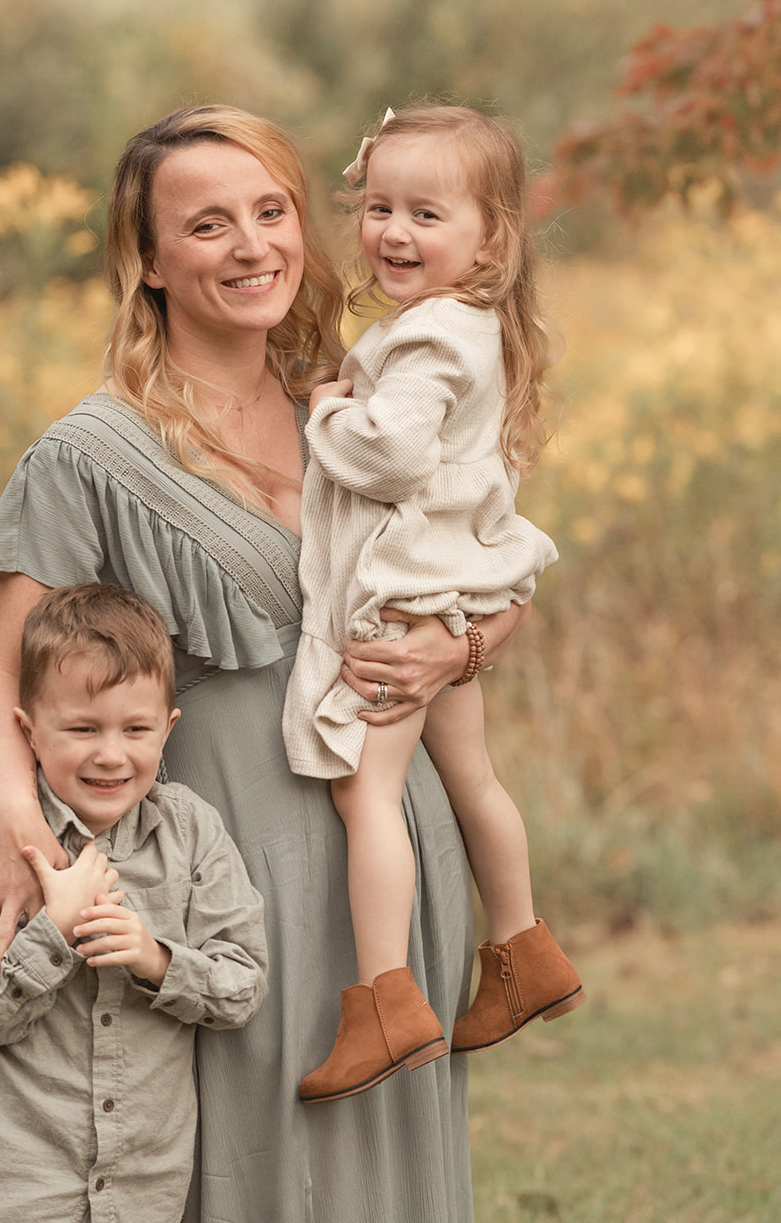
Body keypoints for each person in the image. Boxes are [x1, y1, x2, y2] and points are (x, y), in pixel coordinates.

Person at [0, 105, 530, 1223]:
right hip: (223, 867)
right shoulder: (92, 452)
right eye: (207, 225)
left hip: (398, 846)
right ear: (151, 260)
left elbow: (488, 570)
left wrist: (462, 644)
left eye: (271, 212)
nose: (252, 245)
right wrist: (7, 817)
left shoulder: (361, 397)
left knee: (390, 1166)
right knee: (256, 1168)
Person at [283, 104, 584, 1104]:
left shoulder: (422, 344)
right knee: (472, 778)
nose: (393, 233)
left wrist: (328, 409)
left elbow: (392, 454)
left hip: (404, 593)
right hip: (456, 590)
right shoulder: (473, 326)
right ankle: (520, 945)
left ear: (488, 237)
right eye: (376, 208)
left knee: (361, 792)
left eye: (424, 212)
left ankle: (383, 995)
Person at [0, 582, 267, 1223]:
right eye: (82, 729)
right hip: (16, 1179)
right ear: (30, 731)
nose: (111, 754)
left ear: (168, 729)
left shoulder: (192, 836)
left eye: (135, 729)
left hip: (144, 1181)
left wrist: (155, 959)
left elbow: (242, 986)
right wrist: (53, 934)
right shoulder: (5, 855)